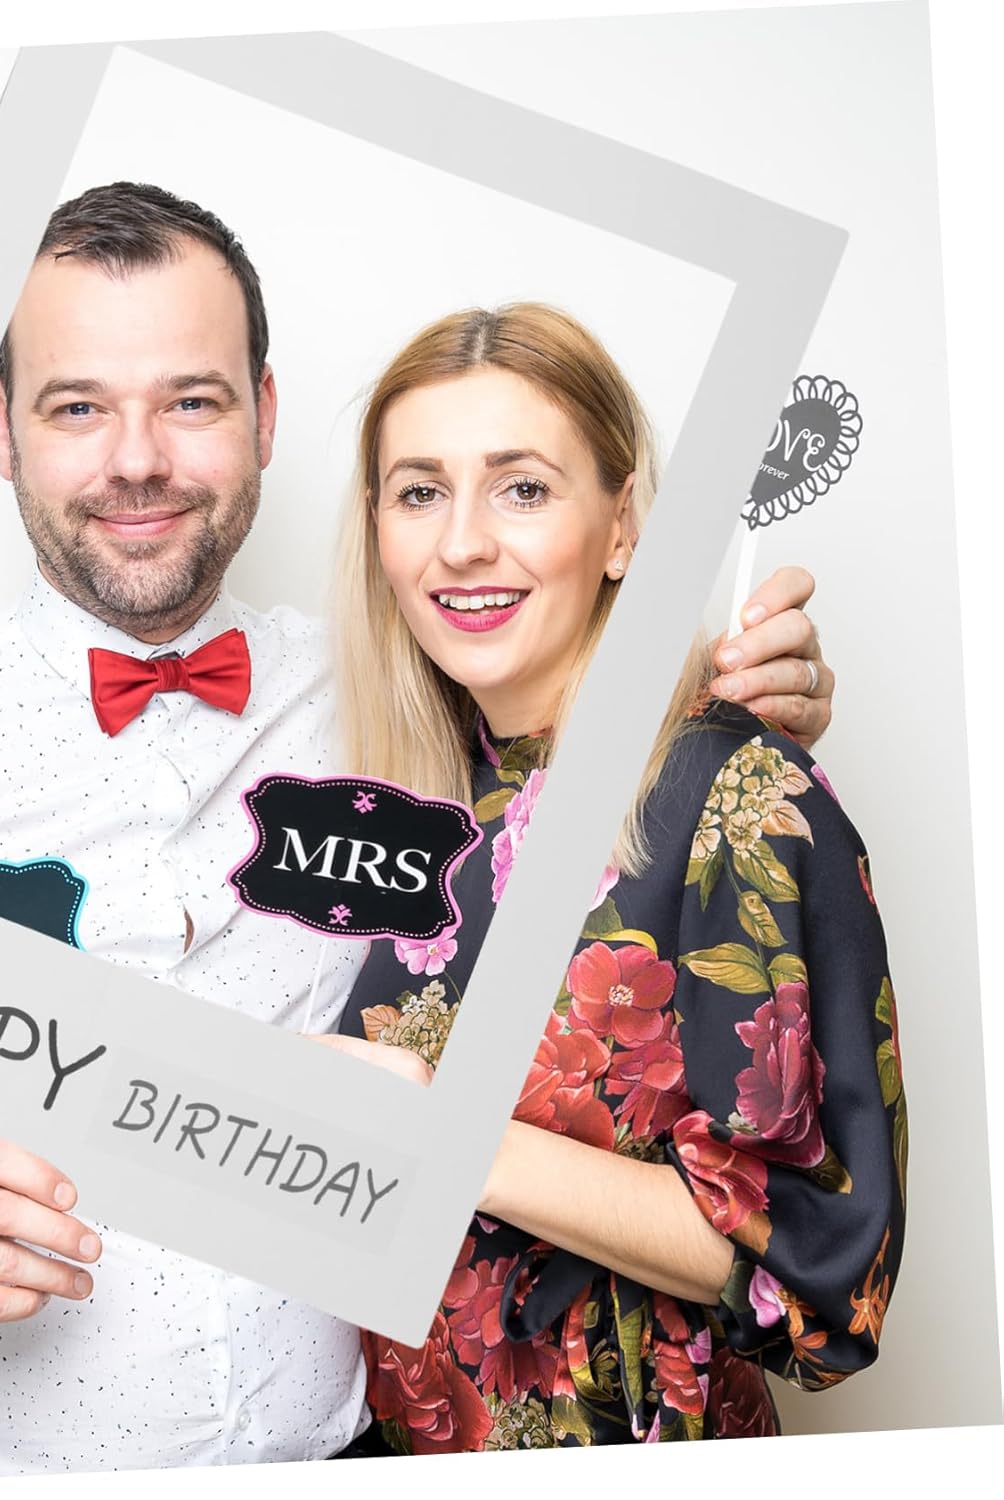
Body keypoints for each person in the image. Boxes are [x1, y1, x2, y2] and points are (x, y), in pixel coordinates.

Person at [0, 185, 836, 1481]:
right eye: (78, 407)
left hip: (346, 1454)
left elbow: (579, 732)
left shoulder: (407, 690)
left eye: (192, 401)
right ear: (1, 427)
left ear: (265, 415)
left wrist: (730, 699)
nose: (138, 460)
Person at [324, 303, 904, 1450]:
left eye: (522, 487)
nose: (462, 543)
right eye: (420, 491)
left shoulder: (737, 795)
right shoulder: (417, 800)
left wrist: (442, 1134)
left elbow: (820, 1264)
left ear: (623, 528)